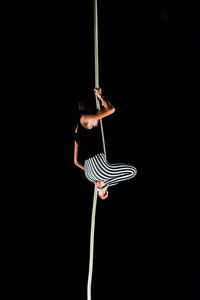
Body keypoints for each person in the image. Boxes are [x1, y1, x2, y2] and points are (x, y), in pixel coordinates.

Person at [74, 88, 137, 199]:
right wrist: (100, 96)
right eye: (96, 120)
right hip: (90, 174)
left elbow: (110, 110)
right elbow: (75, 162)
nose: (97, 122)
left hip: (96, 169)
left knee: (132, 172)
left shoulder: (83, 122)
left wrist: (100, 96)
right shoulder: (81, 123)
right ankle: (102, 187)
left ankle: (103, 187)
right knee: (130, 172)